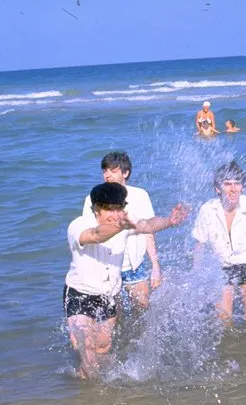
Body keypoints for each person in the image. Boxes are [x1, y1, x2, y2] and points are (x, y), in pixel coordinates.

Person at [65, 182, 188, 379]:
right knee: (87, 349)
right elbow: (96, 236)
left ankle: (88, 383)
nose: (114, 215)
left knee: (103, 348)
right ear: (96, 208)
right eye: (108, 209)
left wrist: (169, 221)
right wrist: (121, 225)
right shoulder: (78, 225)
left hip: (108, 295)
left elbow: (148, 225)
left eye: (118, 208)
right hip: (80, 294)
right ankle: (92, 396)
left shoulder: (122, 224)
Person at [192, 162, 246, 327]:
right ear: (218, 188)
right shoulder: (207, 210)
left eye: (237, 183)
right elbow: (199, 246)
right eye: (227, 184)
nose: (233, 189)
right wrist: (198, 278)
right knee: (224, 322)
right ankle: (230, 351)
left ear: (242, 187)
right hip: (221, 269)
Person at [83, 151, 159, 309]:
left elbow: (148, 231)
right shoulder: (92, 199)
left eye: (113, 170)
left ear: (125, 173)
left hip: (134, 264)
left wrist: (155, 267)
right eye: (105, 171)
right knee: (112, 316)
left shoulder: (140, 195)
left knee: (143, 307)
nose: (107, 175)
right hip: (107, 266)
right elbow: (90, 234)